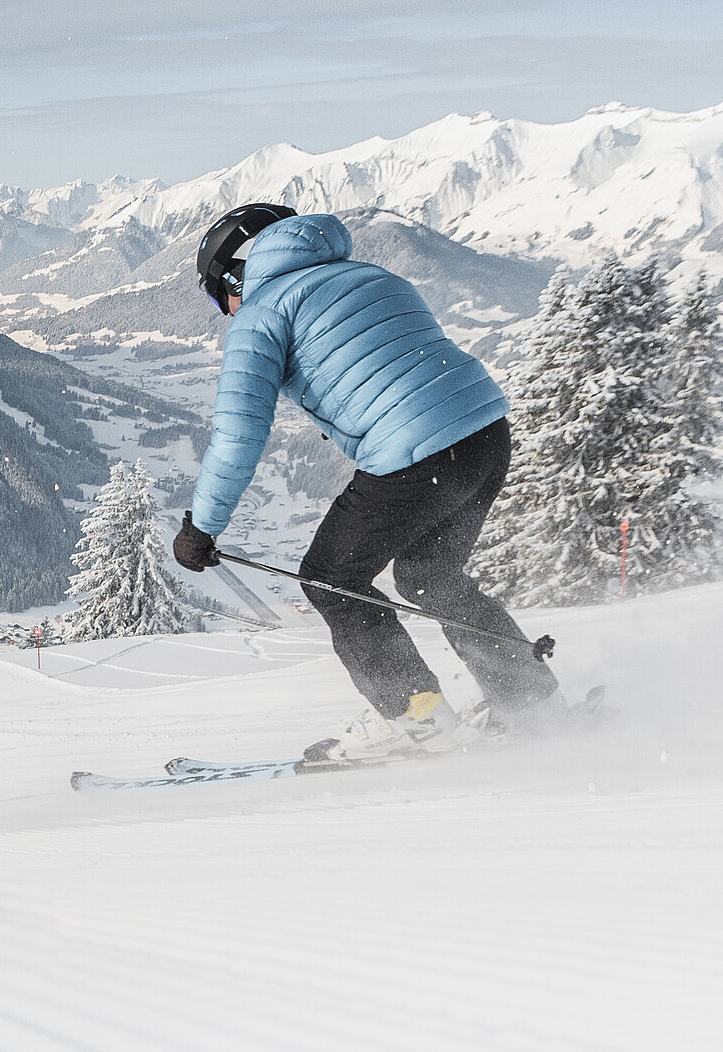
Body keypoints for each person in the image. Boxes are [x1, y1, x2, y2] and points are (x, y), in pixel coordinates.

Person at [173, 204, 562, 762]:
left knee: (332, 578)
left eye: (219, 296)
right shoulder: (374, 276)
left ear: (236, 272)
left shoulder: (263, 313)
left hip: (416, 456)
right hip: (485, 435)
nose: (225, 311)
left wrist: (201, 526)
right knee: (430, 576)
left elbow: (238, 434)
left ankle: (417, 717)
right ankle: (531, 702)